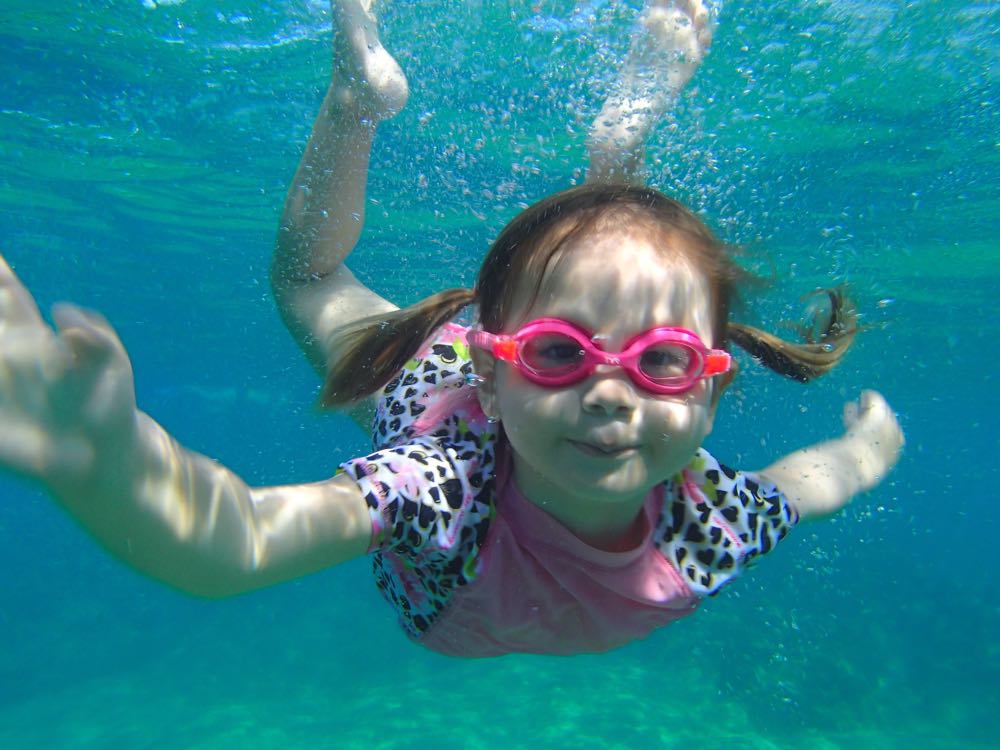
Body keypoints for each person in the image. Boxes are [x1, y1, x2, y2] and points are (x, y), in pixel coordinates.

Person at [0, 0, 902, 657]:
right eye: (564, 354)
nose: (610, 393)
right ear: (496, 373)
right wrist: (108, 469)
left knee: (331, 277)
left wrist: (866, 449)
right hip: (435, 390)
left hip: (497, 372)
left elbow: (811, 480)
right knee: (305, 279)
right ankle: (353, 101)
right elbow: (237, 543)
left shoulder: (714, 520)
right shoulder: (440, 492)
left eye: (661, 361)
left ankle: (604, 165)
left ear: (709, 389)